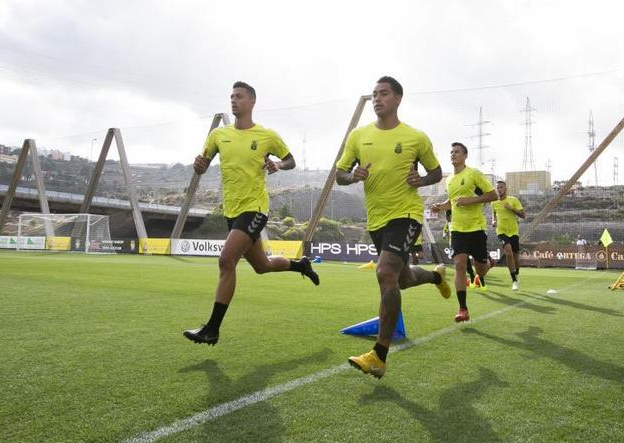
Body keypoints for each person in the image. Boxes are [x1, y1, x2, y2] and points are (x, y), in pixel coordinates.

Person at [183, 81, 319, 346]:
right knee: (262, 266)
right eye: (231, 96)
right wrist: (198, 166)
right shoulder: (218, 136)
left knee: (226, 261)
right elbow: (202, 166)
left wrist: (278, 163)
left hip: (255, 208)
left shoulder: (267, 135)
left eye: (239, 96)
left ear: (252, 102)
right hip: (232, 211)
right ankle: (300, 265)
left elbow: (291, 160)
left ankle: (212, 328)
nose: (234, 100)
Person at [335, 76, 448, 378]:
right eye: (374, 95)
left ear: (398, 98)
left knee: (385, 273)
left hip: (406, 213)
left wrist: (421, 180)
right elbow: (340, 175)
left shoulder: (416, 137)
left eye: (383, 94)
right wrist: (354, 175)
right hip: (377, 218)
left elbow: (436, 171)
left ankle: (379, 355)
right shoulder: (359, 137)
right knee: (403, 279)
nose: (377, 99)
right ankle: (436, 276)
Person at [430, 142, 498, 323]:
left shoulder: (473, 173)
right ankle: (463, 309)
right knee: (459, 264)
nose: (453, 154)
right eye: (451, 152)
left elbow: (493, 195)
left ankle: (488, 264)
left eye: (457, 152)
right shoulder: (450, 179)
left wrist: (471, 200)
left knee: (480, 271)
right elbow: (452, 202)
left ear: (465, 155)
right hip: (458, 229)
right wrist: (440, 206)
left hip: (476, 228)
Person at [491, 180, 526, 290]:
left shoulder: (513, 200)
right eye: (498, 188)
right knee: (508, 253)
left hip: (514, 232)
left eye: (501, 187)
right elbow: (494, 216)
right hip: (501, 232)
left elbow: (523, 215)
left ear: (506, 189)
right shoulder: (494, 203)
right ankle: (514, 281)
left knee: (516, 258)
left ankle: (517, 273)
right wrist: (493, 221)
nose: (499, 189)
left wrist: (512, 209)